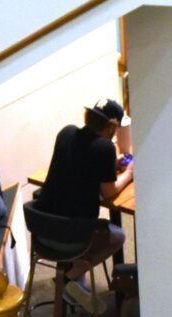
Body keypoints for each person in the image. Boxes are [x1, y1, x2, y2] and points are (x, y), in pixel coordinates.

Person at [27, 99, 131, 286]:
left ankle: (74, 281)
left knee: (75, 216)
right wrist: (129, 173)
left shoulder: (67, 133)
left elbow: (79, 164)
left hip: (42, 230)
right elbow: (109, 192)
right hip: (71, 234)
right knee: (118, 236)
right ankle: (69, 277)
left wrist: (108, 166)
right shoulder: (105, 148)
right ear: (111, 127)